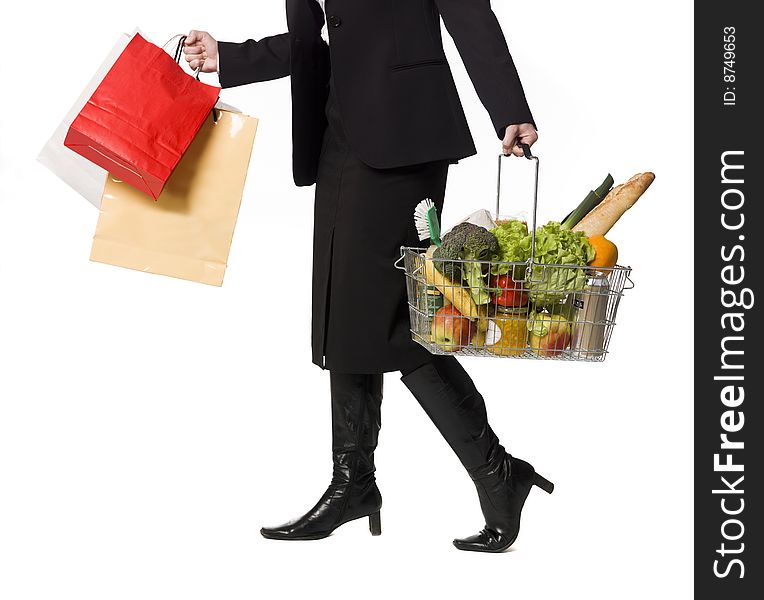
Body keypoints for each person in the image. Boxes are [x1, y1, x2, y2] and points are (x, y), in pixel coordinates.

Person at [184, 0, 552, 553]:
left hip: (406, 134)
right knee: (346, 313)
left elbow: (467, 10)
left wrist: (508, 108)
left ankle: (495, 472)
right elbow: (319, 38)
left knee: (398, 321)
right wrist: (232, 58)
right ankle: (355, 482)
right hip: (341, 134)